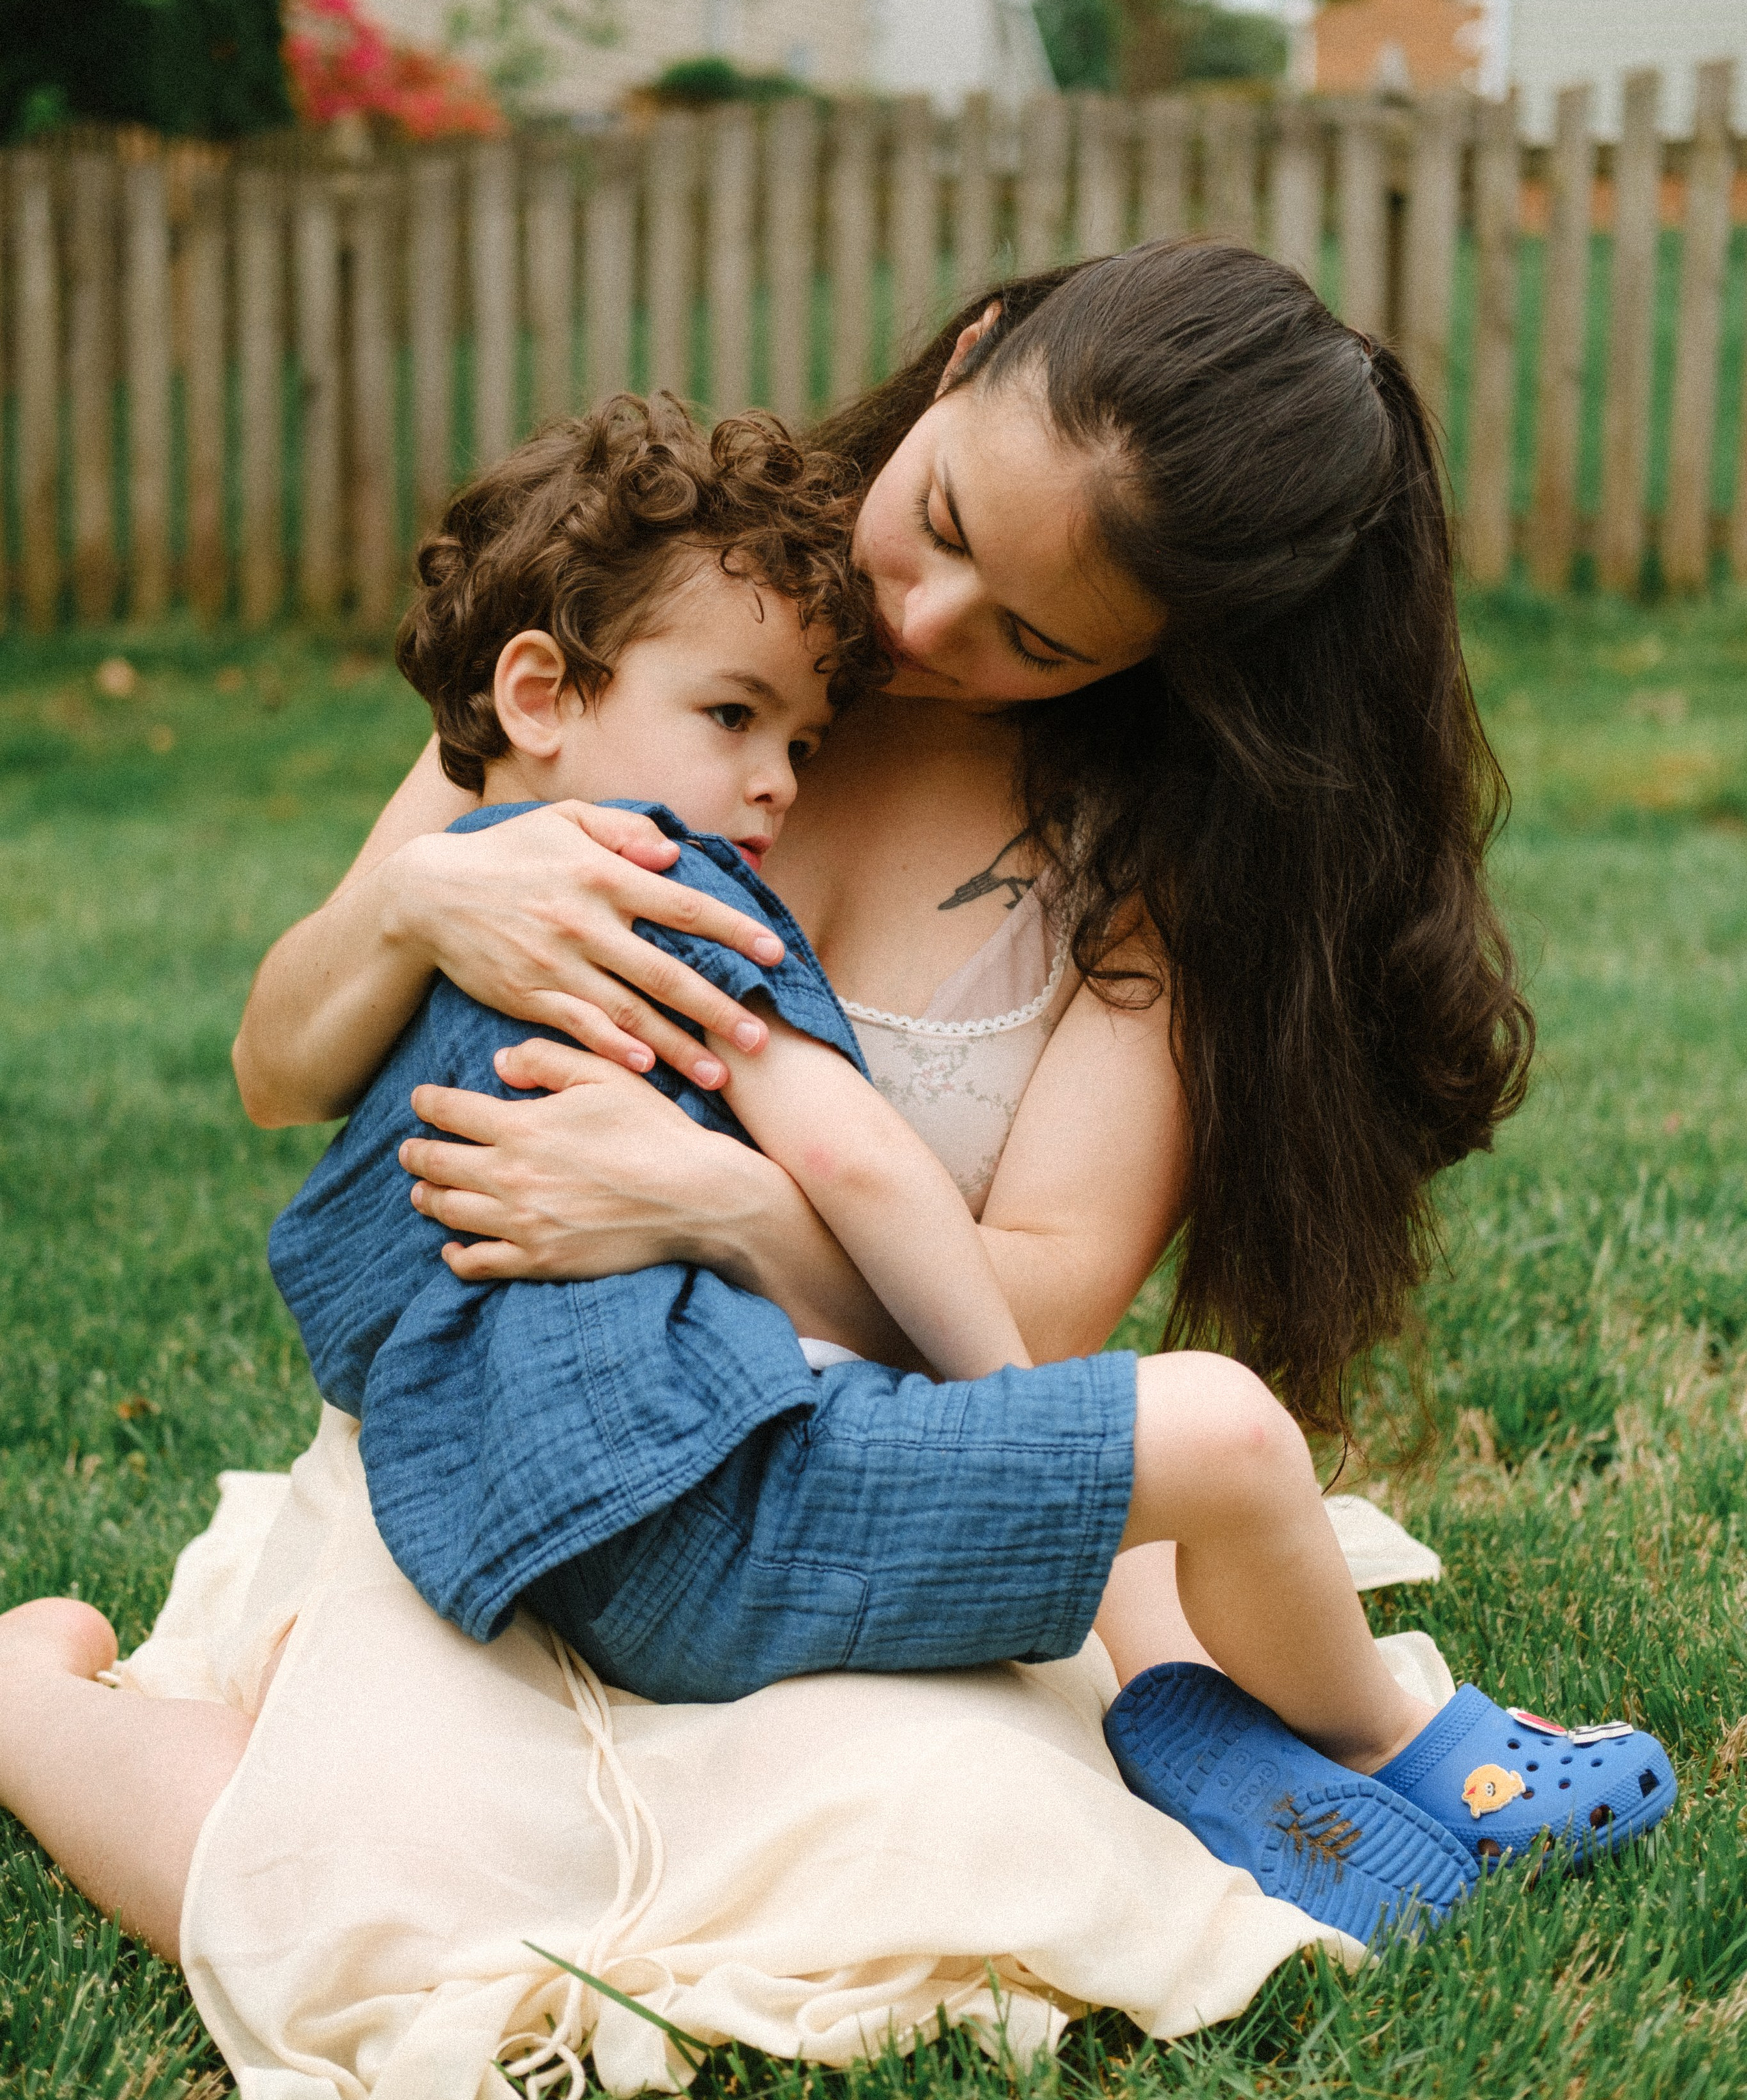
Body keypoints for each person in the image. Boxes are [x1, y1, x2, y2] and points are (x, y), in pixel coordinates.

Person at [0, 246, 1673, 1979]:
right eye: (938, 520)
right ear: (963, 358)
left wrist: (707, 1206)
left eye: (1031, 634)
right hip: (522, 1435)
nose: (922, 623)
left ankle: (1253, 1733)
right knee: (396, 1881)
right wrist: (415, 905)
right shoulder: (655, 633)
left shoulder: (1137, 861)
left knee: (948, 1832)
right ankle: (35, 1707)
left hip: (859, 1450)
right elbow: (277, 1070)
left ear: (1166, 652)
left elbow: (1031, 1314)